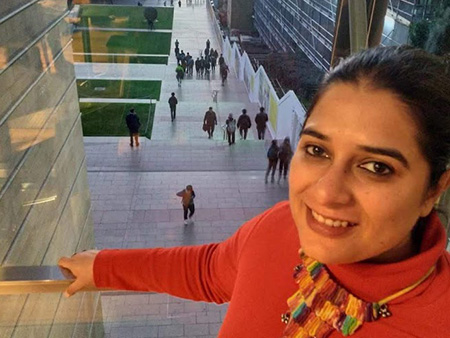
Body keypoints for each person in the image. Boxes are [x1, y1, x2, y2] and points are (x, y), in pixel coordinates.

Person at [59, 46, 450, 337]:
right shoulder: (281, 227)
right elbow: (209, 271)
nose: (328, 193)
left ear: (433, 190)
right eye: (316, 149)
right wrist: (103, 268)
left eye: (376, 167)